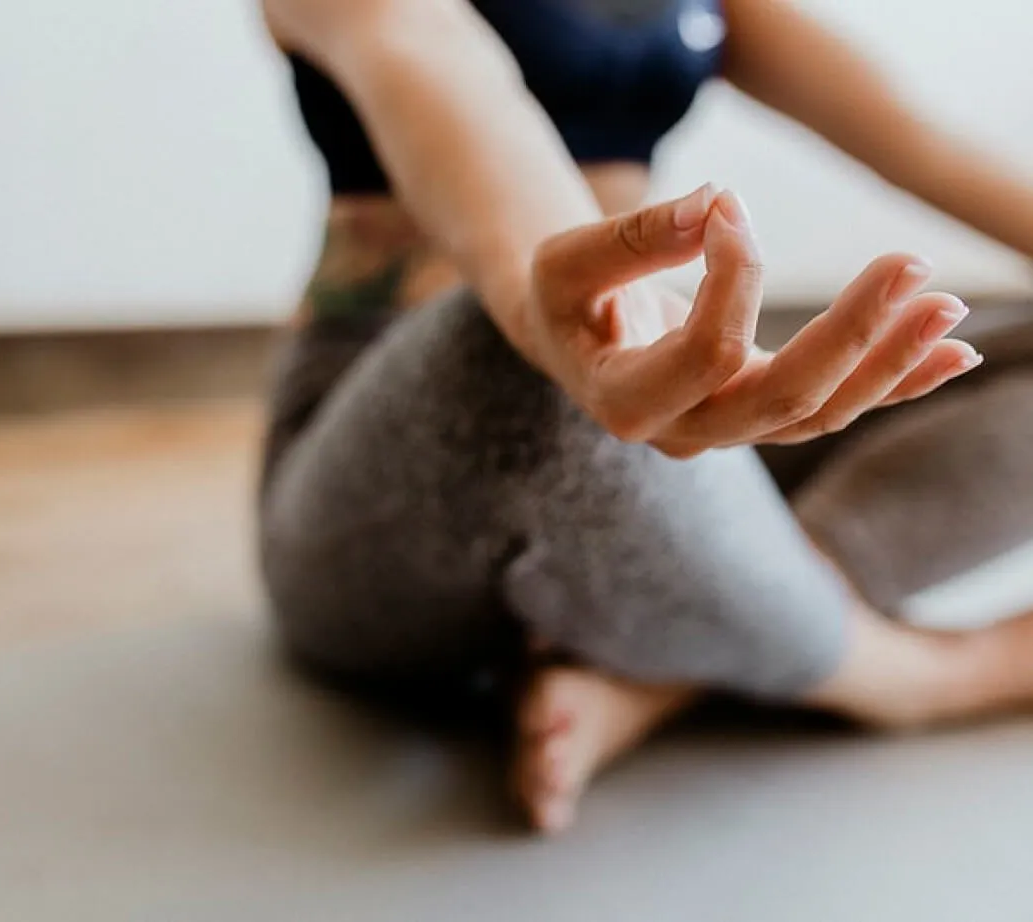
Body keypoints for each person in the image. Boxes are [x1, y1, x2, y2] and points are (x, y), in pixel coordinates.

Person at [256, 0, 1033, 834]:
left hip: (636, 431)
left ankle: (666, 675)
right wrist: (555, 311)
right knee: (520, 364)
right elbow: (439, 64)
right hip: (396, 471)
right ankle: (911, 673)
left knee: (626, 406)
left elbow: (920, 140)